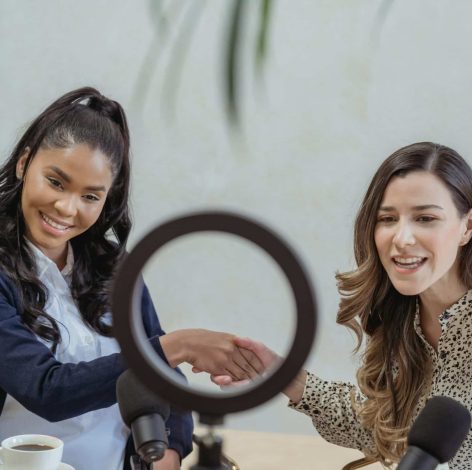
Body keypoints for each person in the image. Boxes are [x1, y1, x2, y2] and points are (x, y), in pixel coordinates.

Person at [0, 87, 262, 470]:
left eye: (91, 196)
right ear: (24, 164)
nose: (67, 208)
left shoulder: (114, 267)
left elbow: (166, 378)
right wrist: (179, 345)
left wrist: (169, 454)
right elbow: (47, 390)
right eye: (56, 182)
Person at [210, 142, 472, 469]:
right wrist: (280, 374)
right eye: (387, 219)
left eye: (425, 218)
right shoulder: (405, 320)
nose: (402, 238)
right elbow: (380, 429)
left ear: (467, 227)